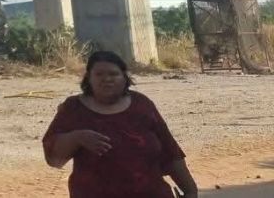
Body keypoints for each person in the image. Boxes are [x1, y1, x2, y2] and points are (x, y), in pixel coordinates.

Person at [42, 51, 198, 198]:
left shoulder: (142, 104)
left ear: (124, 78)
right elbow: (54, 159)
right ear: (88, 78)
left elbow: (170, 151)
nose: (107, 79)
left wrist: (190, 191)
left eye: (113, 74)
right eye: (99, 74)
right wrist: (76, 138)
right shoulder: (74, 108)